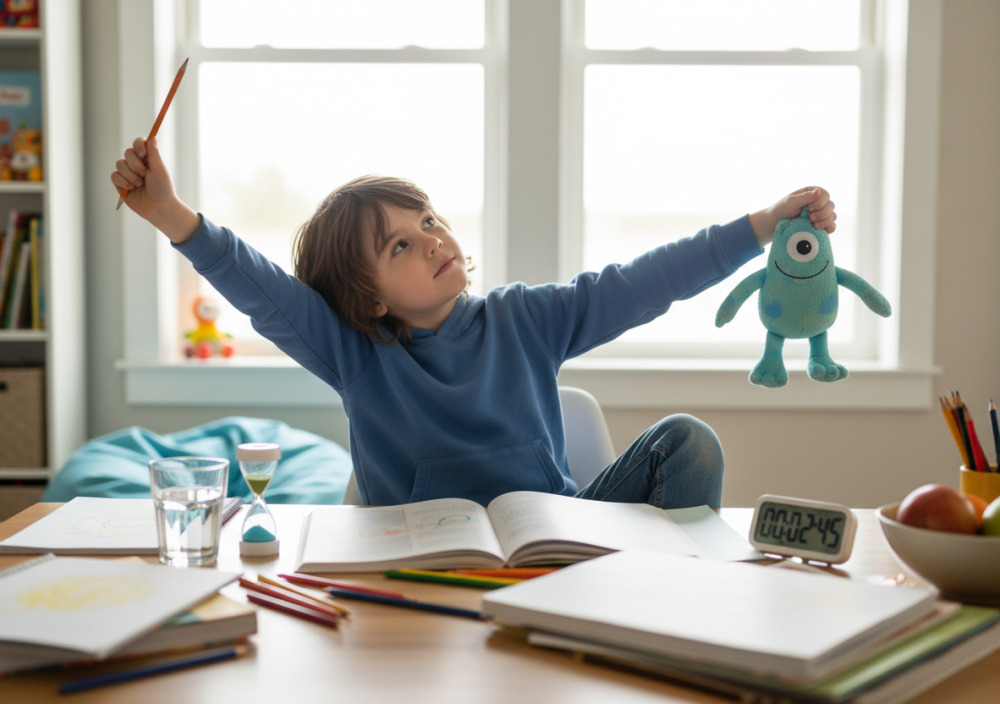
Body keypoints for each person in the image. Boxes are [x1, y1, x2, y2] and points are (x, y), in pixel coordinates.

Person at [112, 136, 837, 509]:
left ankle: (671, 608)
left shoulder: (527, 318)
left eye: (427, 220)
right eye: (399, 243)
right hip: (423, 573)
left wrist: (761, 228)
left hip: (560, 544)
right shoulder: (356, 353)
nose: (433, 239)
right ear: (369, 300)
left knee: (689, 442)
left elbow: (645, 281)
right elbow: (261, 288)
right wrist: (172, 216)